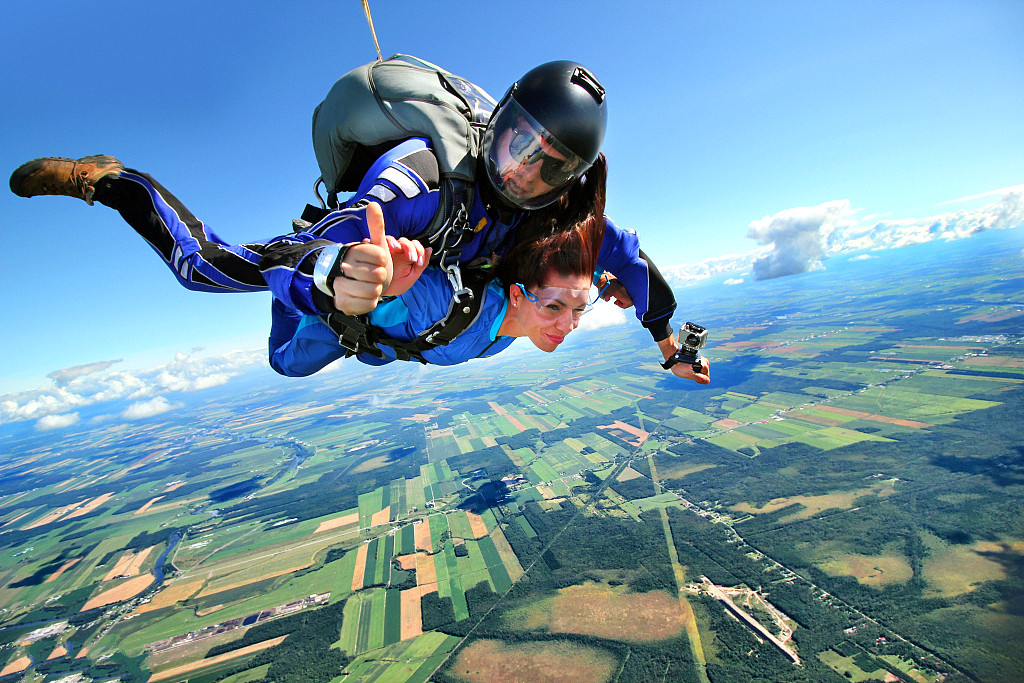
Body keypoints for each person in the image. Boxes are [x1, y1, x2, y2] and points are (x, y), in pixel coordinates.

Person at [9, 60, 710, 385]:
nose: (521, 173)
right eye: (516, 144)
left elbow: (634, 263)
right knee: (214, 284)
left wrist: (667, 344)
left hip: (440, 308)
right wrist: (344, 275)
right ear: (495, 122)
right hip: (358, 287)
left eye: (546, 166)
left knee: (308, 357)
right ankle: (110, 179)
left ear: (569, 180)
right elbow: (322, 239)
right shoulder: (421, 178)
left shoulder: (564, 215)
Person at [264, 200, 605, 375]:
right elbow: (399, 273)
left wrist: (610, 282)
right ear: (516, 295)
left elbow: (576, 277)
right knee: (285, 365)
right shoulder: (446, 300)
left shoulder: (526, 315)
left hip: (388, 347)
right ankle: (291, 297)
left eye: (579, 308)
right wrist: (381, 272)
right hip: (337, 324)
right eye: (555, 308)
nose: (569, 326)